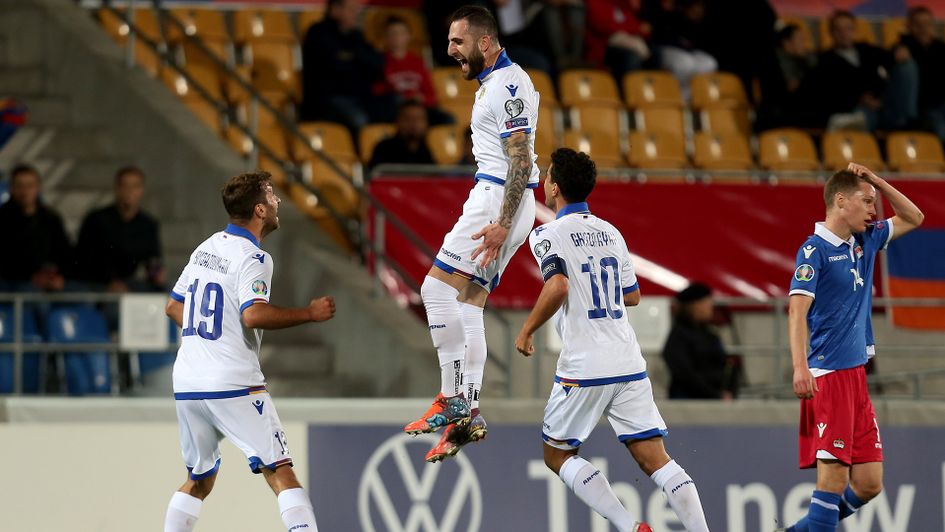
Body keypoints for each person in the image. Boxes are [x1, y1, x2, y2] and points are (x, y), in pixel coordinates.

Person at [516, 147, 710, 532]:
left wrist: (526, 329)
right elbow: (632, 294)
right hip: (627, 362)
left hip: (585, 364)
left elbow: (556, 286)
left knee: (557, 455)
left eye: (548, 176)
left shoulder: (547, 234)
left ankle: (627, 525)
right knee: (656, 459)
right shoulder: (610, 232)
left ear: (553, 188)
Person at [402, 5, 539, 463]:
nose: (450, 51)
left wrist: (502, 221)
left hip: (499, 198)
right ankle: (470, 413)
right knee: (469, 303)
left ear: (484, 42)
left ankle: (450, 396)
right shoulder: (496, 83)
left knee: (434, 291)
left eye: (457, 42)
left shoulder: (507, 85)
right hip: (507, 201)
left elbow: (519, 159)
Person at [162, 171, 336, 532]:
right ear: (259, 210)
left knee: (199, 479)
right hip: (232, 381)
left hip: (189, 381)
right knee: (280, 471)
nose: (277, 202)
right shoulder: (254, 258)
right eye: (271, 196)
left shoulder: (206, 248)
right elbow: (253, 314)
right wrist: (309, 313)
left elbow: (173, 307)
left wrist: (208, 340)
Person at [778, 163, 924, 532]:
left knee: (869, 484)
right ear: (841, 202)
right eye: (867, 202)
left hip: (857, 376)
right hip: (830, 376)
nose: (874, 210)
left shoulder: (866, 239)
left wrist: (875, 182)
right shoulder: (814, 251)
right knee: (832, 484)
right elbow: (796, 312)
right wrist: (800, 367)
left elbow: (914, 216)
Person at [805, 10, 918, 131]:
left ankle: (908, 119)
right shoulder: (825, 61)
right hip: (856, 108)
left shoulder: (865, 49)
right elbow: (829, 93)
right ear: (831, 33)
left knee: (907, 66)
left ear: (854, 31)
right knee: (860, 117)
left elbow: (889, 57)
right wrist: (860, 99)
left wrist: (899, 50)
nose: (844, 34)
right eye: (839, 30)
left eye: (848, 29)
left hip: (883, 103)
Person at [300, 0, 386, 132]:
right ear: (335, 10)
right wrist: (357, 62)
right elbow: (333, 68)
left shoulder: (356, 36)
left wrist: (352, 58)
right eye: (351, 10)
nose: (356, 14)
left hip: (361, 98)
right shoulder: (318, 32)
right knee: (360, 121)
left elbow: (378, 64)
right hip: (329, 100)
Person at [76, 166, 165, 292]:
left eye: (135, 186)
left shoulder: (148, 224)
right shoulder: (96, 220)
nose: (129, 191)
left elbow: (153, 259)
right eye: (124, 186)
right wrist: (110, 282)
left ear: (142, 191)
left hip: (129, 283)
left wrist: (156, 274)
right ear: (116, 189)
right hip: (97, 283)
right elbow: (85, 260)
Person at [0, 164, 72, 291]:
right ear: (11, 188)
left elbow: (64, 253)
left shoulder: (51, 218)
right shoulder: (3, 219)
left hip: (48, 279)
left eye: (30, 186)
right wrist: (32, 276)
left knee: (81, 293)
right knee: (36, 299)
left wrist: (58, 276)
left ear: (38, 188)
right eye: (19, 186)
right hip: (14, 282)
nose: (25, 191)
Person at [663, 282, 740, 400]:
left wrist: (729, 391)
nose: (711, 307)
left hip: (715, 401)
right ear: (694, 305)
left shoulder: (710, 335)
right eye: (706, 303)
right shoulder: (678, 337)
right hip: (688, 403)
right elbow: (685, 374)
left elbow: (727, 366)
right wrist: (715, 395)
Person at [374, 16, 454, 126]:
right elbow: (378, 93)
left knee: (447, 119)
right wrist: (405, 99)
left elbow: (431, 95)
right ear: (386, 37)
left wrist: (421, 98)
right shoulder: (378, 62)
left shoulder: (418, 62)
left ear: (408, 36)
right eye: (393, 33)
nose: (397, 37)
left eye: (401, 33)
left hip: (420, 108)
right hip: (396, 111)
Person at [898, 6, 945, 142]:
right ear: (910, 26)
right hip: (923, 108)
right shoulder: (903, 48)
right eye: (918, 25)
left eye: (927, 24)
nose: (923, 28)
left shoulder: (941, 48)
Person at [585, 0, 651, 82]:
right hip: (603, 48)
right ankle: (629, 92)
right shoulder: (596, 2)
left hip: (622, 43)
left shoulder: (621, 4)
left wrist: (639, 29)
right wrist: (637, 29)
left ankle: (651, 91)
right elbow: (603, 25)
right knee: (632, 57)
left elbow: (636, 25)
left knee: (657, 54)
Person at [368, 100, 435, 170]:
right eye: (408, 119)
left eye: (419, 119)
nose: (414, 124)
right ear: (398, 121)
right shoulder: (384, 149)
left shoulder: (425, 150)